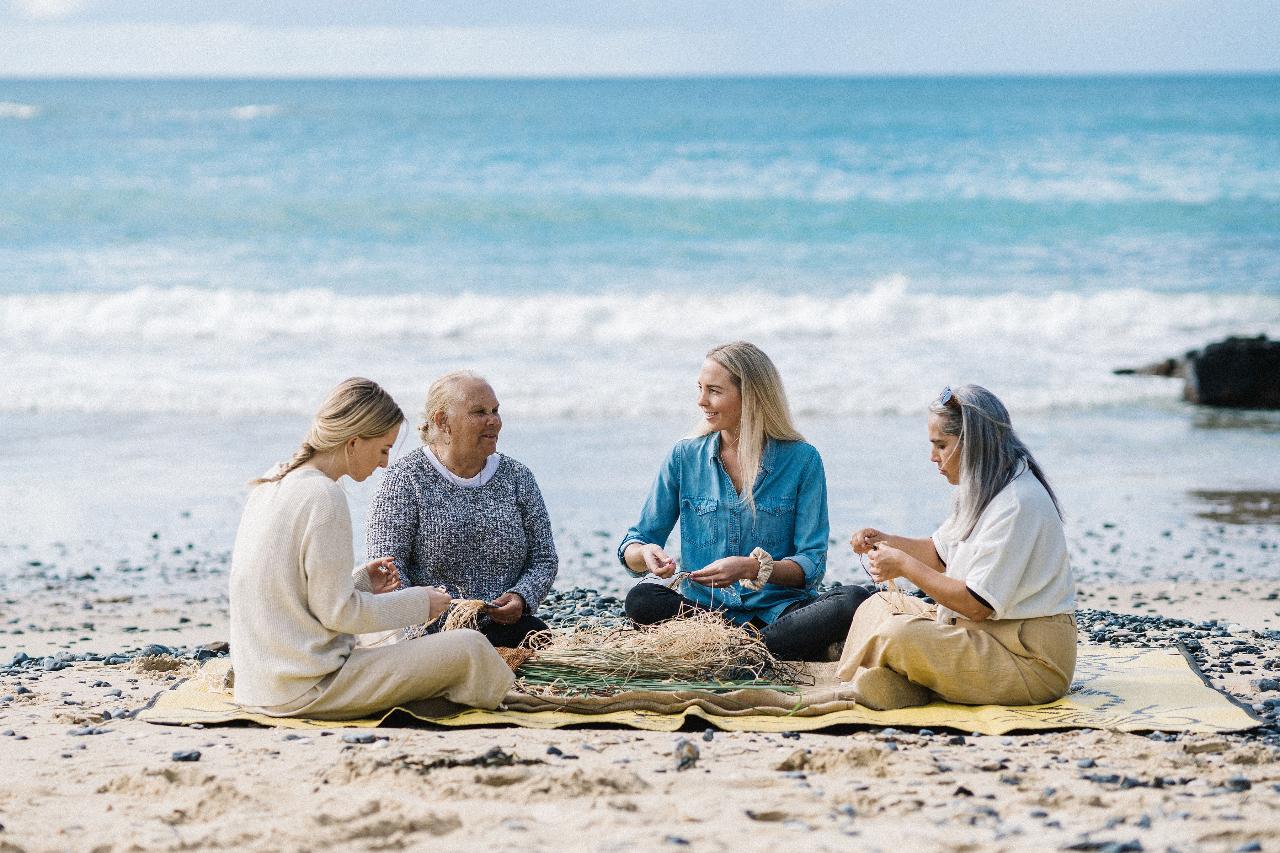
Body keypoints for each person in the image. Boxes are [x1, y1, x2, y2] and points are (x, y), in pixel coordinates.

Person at [228, 377, 513, 720]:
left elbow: (289, 594)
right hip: (305, 689)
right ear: (354, 442)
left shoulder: (273, 480)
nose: (384, 463)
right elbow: (340, 615)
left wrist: (361, 583)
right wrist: (422, 603)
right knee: (469, 647)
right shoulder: (324, 497)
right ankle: (498, 699)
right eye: (383, 449)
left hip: (258, 685)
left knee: (389, 630)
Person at [618, 341, 868, 661]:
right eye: (700, 389)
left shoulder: (802, 460)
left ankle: (735, 650)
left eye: (714, 391)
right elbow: (635, 543)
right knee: (642, 599)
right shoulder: (684, 456)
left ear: (749, 396)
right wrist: (645, 554)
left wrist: (752, 568)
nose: (701, 401)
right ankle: (763, 650)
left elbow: (811, 565)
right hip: (706, 614)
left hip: (780, 611)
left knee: (853, 601)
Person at [836, 384, 1077, 710]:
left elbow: (977, 606)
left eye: (941, 445)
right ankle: (904, 682)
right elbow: (938, 554)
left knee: (899, 635)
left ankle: (887, 680)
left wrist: (904, 566)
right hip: (981, 634)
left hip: (1028, 660)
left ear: (973, 444)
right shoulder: (982, 486)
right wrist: (884, 541)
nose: (933, 457)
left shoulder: (1017, 503)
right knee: (877, 606)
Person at [366, 371, 558, 648]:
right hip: (431, 631)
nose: (493, 420)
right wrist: (423, 618)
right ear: (443, 421)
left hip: (508, 627)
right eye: (479, 412)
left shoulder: (517, 477)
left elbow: (544, 557)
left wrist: (521, 597)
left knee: (534, 633)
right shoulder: (405, 479)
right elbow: (387, 568)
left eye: (495, 410)